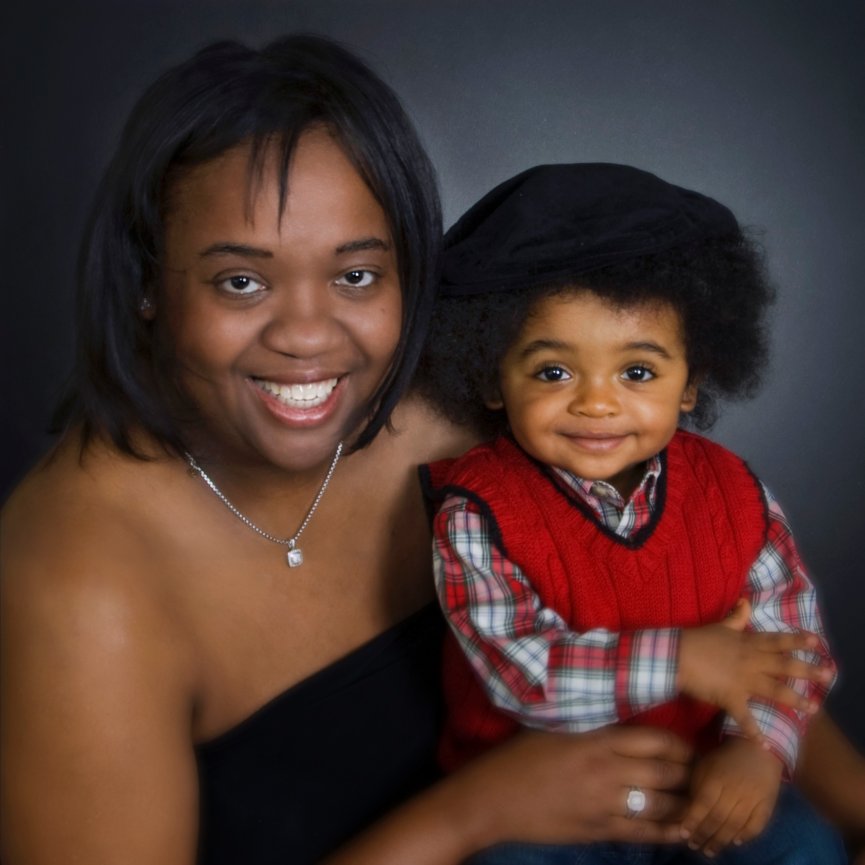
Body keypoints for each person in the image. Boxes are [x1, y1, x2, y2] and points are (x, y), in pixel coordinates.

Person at [0, 34, 858, 865]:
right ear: (148, 283)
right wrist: (471, 814)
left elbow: (719, 629)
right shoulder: (79, 570)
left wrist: (836, 805)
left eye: (356, 275)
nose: (307, 335)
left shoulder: (465, 406)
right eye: (242, 280)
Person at [418, 163, 847, 863]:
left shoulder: (735, 493)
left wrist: (758, 748)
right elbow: (521, 673)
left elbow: (790, 648)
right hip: (543, 811)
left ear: (691, 382)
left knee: (804, 845)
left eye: (637, 372)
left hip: (698, 783)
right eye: (553, 371)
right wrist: (684, 659)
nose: (596, 402)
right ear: (494, 378)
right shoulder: (477, 509)